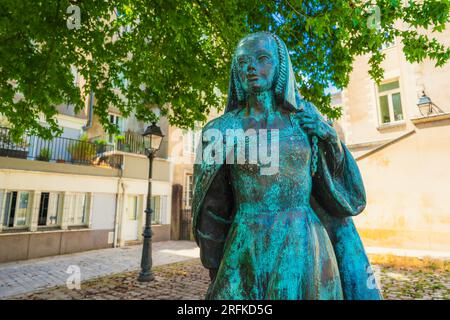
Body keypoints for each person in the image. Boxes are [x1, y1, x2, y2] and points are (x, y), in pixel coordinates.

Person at [192, 32, 382, 300]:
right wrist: (214, 263)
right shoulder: (221, 130)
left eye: (262, 59)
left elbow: (337, 182)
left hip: (303, 242)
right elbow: (212, 207)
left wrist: (330, 139)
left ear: (280, 65)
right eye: (243, 61)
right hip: (246, 243)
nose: (251, 67)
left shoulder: (304, 118)